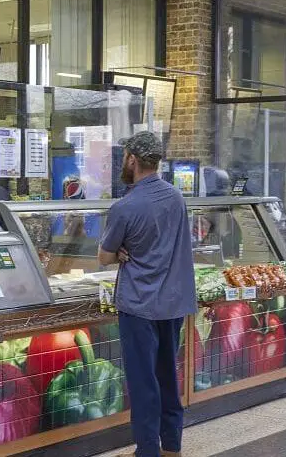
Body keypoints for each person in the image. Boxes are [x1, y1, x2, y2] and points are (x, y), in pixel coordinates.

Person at [97, 132, 196, 457]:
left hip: (139, 305)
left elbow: (104, 256)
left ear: (132, 159)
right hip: (173, 304)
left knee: (143, 384)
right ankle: (172, 447)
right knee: (168, 376)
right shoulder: (176, 198)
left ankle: (147, 451)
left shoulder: (125, 207)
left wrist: (122, 252)